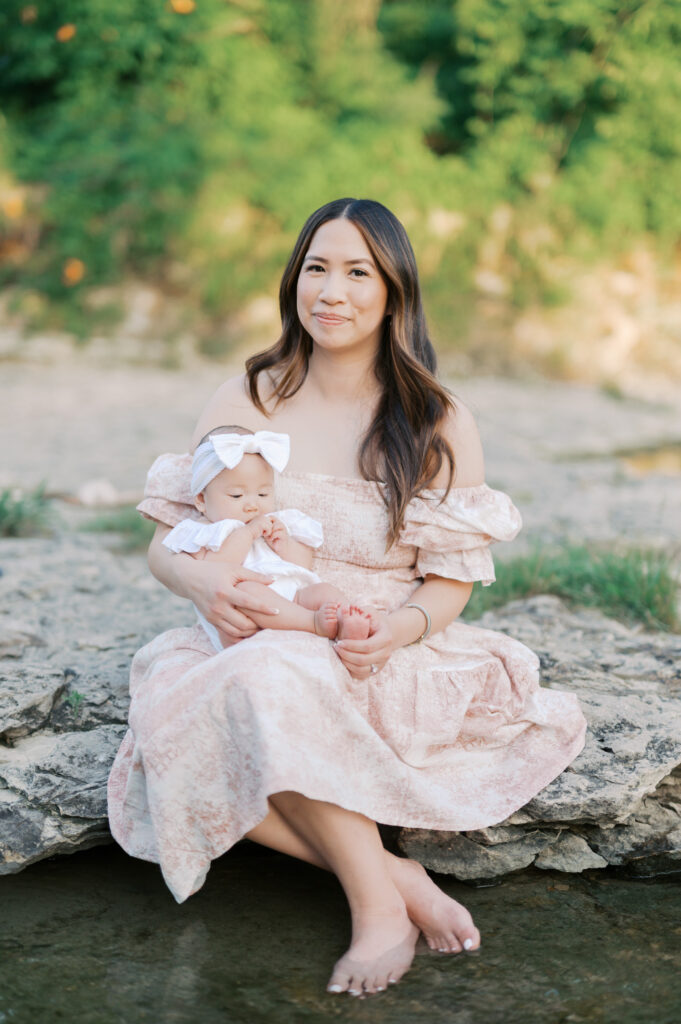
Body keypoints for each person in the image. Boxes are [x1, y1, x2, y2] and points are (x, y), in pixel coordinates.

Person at [108, 197, 586, 998]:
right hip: (252, 630)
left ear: (393, 293)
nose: (331, 292)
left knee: (265, 681)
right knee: (210, 707)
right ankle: (392, 883)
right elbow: (173, 541)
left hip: (370, 645)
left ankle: (375, 908)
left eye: (357, 272)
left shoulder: (434, 418)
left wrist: (397, 628)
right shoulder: (247, 398)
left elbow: (450, 581)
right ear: (293, 280)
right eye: (316, 268)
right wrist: (198, 579)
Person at [163, 423, 374, 649]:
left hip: (294, 598)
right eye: (237, 495)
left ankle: (346, 622)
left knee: (324, 591)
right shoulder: (201, 532)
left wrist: (285, 544)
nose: (252, 505)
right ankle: (313, 623)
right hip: (243, 610)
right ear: (201, 501)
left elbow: (303, 566)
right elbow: (214, 570)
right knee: (247, 590)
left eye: (263, 494)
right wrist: (248, 533)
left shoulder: (276, 521)